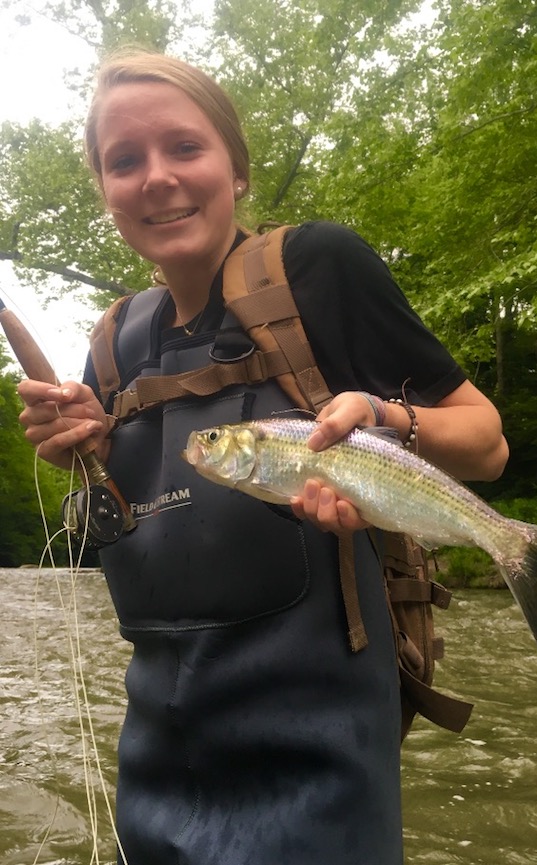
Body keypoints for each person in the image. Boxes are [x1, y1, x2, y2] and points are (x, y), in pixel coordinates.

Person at [18, 49, 509, 865]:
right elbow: (137, 516)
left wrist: (387, 418)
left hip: (319, 748)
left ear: (237, 169)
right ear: (106, 191)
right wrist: (88, 448)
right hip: (156, 748)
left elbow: (486, 442)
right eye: (124, 161)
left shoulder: (317, 267)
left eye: (184, 147)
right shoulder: (114, 340)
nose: (156, 178)